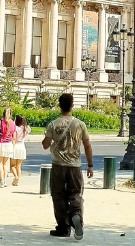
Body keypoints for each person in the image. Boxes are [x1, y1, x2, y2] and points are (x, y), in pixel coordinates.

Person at [42, 93, 93, 240]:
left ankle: (63, 227)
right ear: (72, 105)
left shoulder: (53, 124)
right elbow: (87, 146)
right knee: (75, 193)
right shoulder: (80, 124)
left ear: (59, 106)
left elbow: (45, 145)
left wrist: (49, 139)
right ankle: (76, 214)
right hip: (74, 166)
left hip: (58, 165)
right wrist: (90, 165)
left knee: (58, 196)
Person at [0, 106, 16, 188]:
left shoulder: (0, 122)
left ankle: (1, 181)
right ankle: (5, 181)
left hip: (1, 144)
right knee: (5, 163)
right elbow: (14, 136)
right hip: (9, 144)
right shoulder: (12, 123)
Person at [10, 114, 31, 186]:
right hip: (22, 146)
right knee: (18, 166)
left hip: (15, 145)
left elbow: (13, 136)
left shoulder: (15, 128)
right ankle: (17, 181)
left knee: (12, 165)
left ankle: (16, 176)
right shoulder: (26, 128)